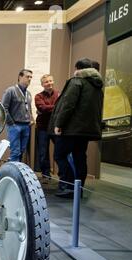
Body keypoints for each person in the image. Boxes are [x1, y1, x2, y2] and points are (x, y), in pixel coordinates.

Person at [49, 58, 104, 198]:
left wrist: (59, 124)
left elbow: (68, 105)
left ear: (78, 68)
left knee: (59, 155)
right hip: (85, 130)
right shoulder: (97, 85)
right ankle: (78, 189)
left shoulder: (77, 81)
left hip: (71, 129)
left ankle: (68, 187)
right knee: (80, 158)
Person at [1, 69, 34, 162]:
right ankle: (13, 174)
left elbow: (28, 107)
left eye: (31, 77)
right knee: (15, 152)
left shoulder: (28, 93)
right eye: (27, 76)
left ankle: (17, 170)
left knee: (22, 151)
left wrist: (31, 118)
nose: (30, 79)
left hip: (26, 126)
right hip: (15, 126)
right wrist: (11, 124)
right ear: (20, 77)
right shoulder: (10, 90)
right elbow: (4, 108)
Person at [35, 74, 59, 183]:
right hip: (42, 128)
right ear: (42, 84)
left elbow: (45, 109)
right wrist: (56, 107)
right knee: (43, 152)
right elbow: (42, 108)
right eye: (46, 82)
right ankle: (46, 174)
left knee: (60, 150)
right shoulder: (38, 96)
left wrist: (46, 109)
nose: (49, 83)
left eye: (50, 81)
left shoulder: (59, 94)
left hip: (55, 127)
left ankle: (63, 174)